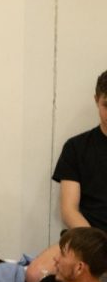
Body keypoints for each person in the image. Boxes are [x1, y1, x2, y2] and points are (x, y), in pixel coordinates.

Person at [55, 71, 107, 231]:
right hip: (88, 241)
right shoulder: (76, 147)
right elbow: (69, 211)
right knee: (46, 256)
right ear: (96, 100)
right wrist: (95, 245)